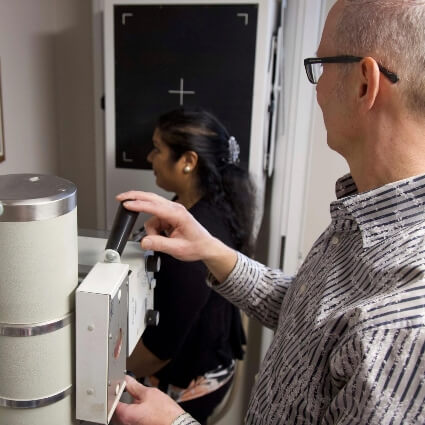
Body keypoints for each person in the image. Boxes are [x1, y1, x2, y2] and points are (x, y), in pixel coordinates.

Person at [114, 0, 425, 424]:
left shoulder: (405, 322)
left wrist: (175, 423)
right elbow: (307, 312)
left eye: (321, 64)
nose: (315, 87)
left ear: (364, 84)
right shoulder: (361, 220)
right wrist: (210, 250)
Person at [126, 107, 256, 425]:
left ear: (188, 161)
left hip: (190, 379)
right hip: (209, 359)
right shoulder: (206, 201)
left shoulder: (195, 238)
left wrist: (104, 365)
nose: (150, 157)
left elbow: (160, 350)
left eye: (158, 149)